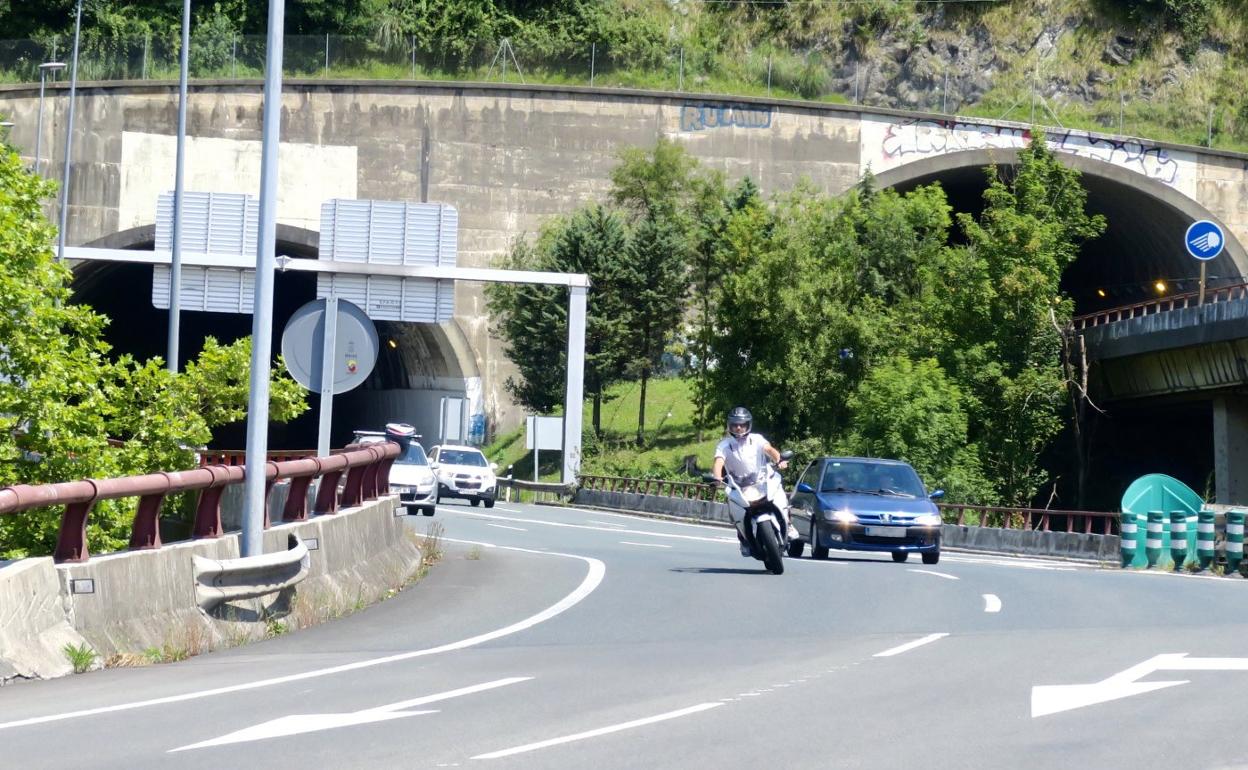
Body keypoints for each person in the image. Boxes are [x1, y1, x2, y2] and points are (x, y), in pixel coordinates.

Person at [711, 406, 793, 556]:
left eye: (742, 424)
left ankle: (788, 523)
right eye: (735, 424)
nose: (739, 428)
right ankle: (743, 537)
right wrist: (717, 477)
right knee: (733, 507)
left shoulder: (757, 439)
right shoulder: (724, 445)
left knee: (779, 492)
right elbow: (718, 462)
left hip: (762, 481)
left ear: (748, 425)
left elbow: (769, 449)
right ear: (730, 425)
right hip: (739, 486)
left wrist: (779, 459)